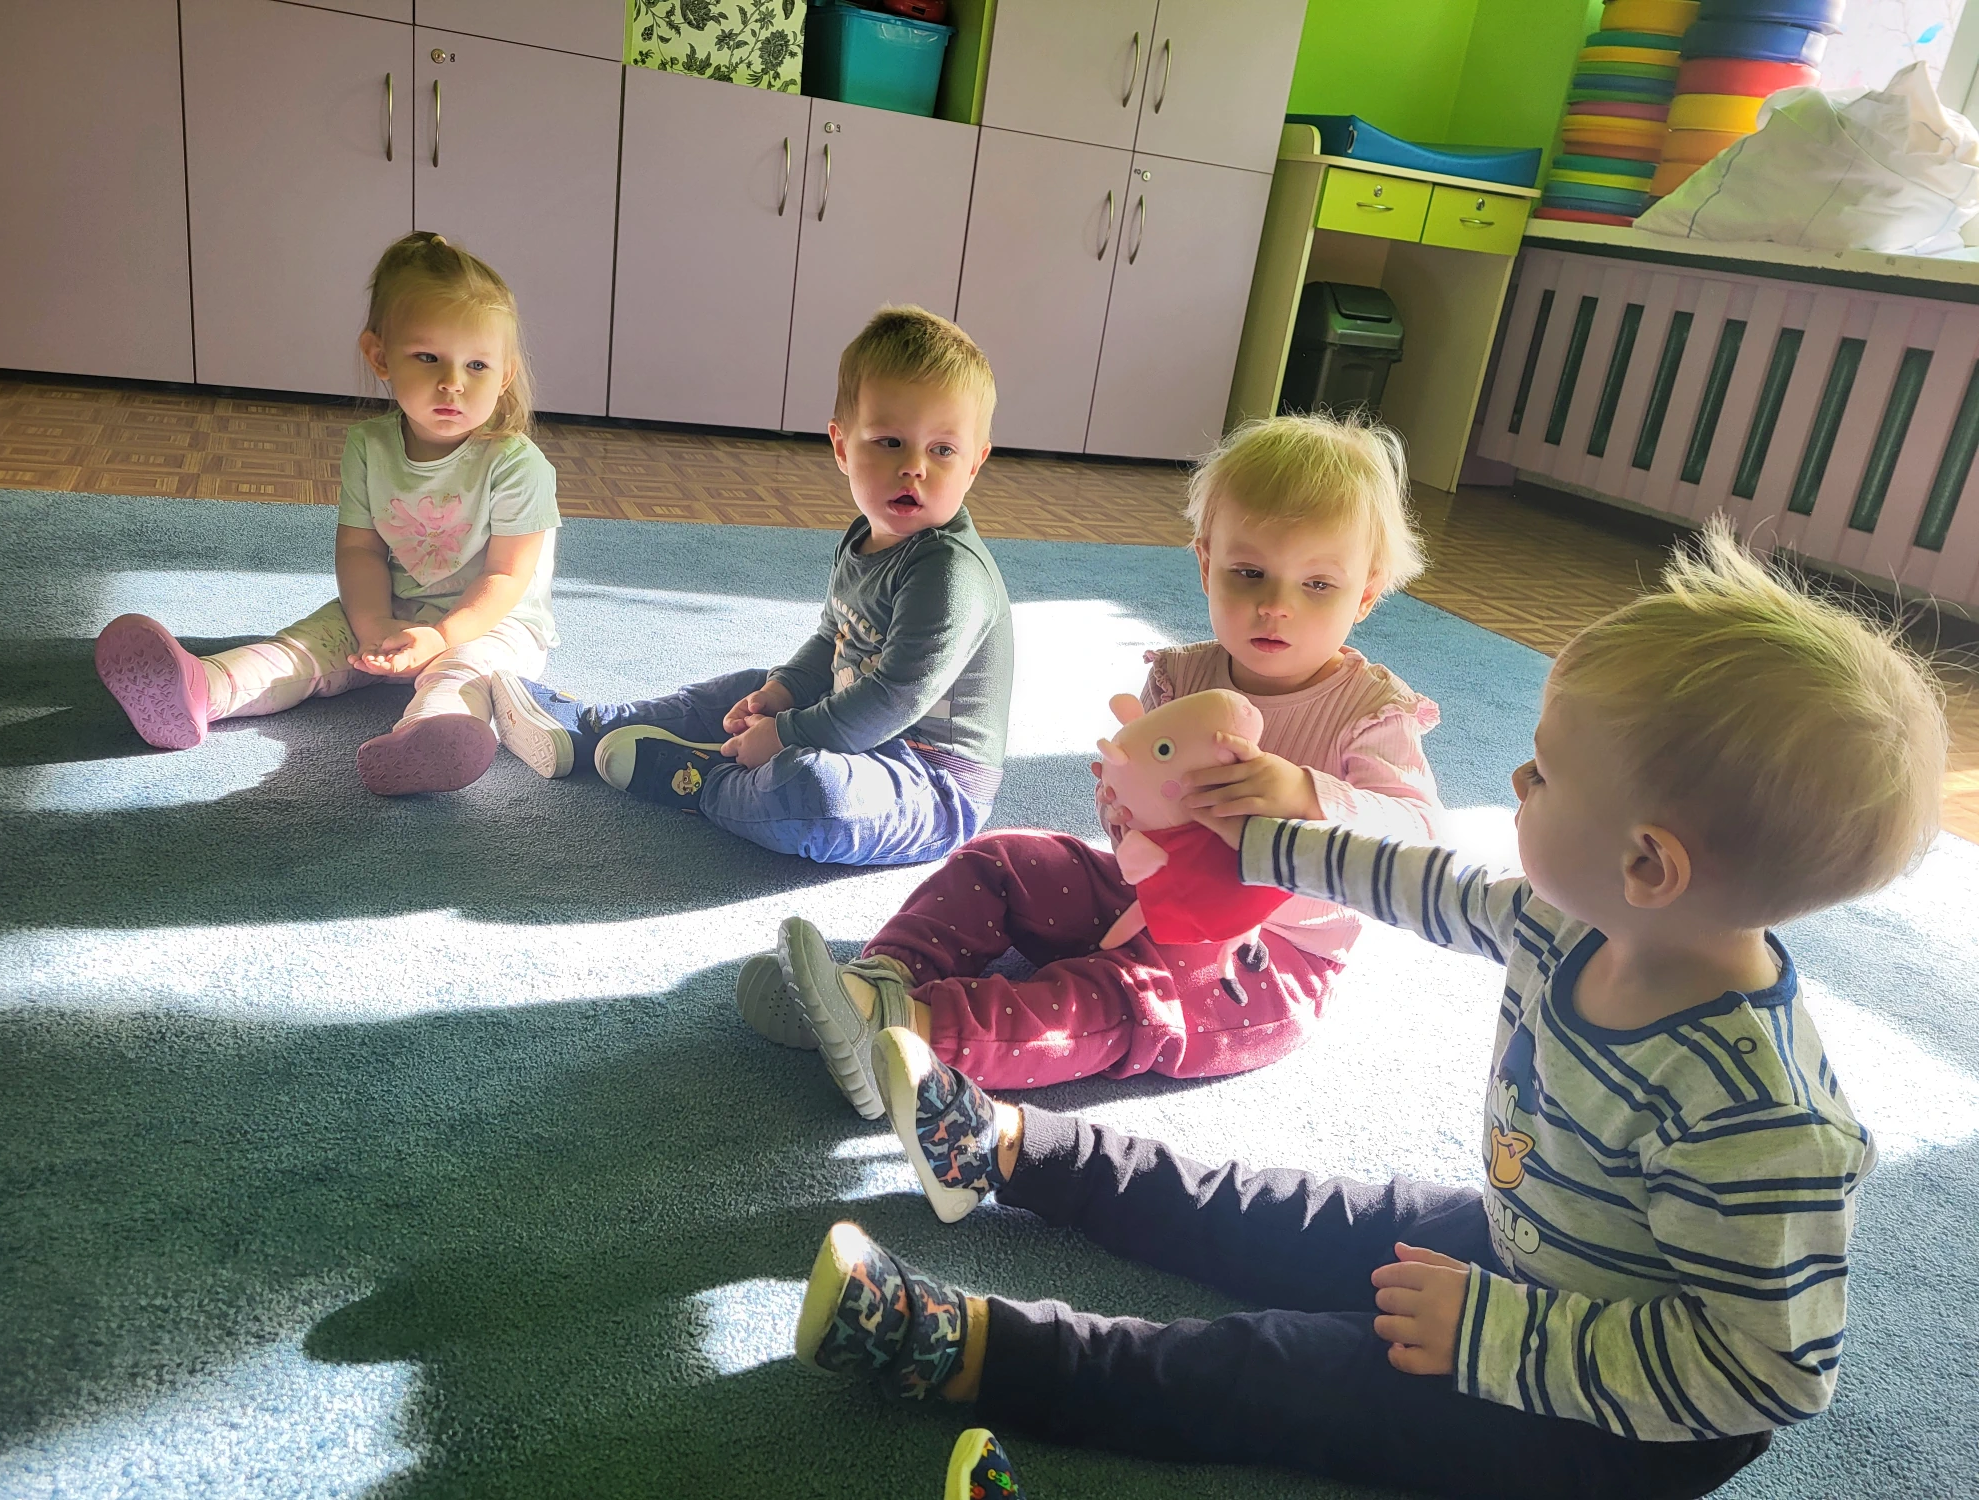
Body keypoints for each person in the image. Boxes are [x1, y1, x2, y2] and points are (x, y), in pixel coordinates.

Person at [789, 520, 1948, 1500]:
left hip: (1607, 1423)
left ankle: (965, 1352)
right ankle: (1008, 1149)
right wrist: (1257, 840)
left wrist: (1494, 1337)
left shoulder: (1760, 1122)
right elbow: (1420, 883)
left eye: (1543, 775)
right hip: (1528, 1247)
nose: (1514, 783)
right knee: (1282, 1211)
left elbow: (1764, 1373)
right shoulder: (1577, 918)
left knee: (1285, 1374)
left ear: (1647, 863)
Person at [757, 414, 1442, 1118]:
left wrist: (1305, 792)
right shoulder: (1183, 676)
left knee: (1128, 996)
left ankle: (915, 1034)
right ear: (1207, 564)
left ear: (1366, 594)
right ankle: (877, 979)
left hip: (1268, 955)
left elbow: (1421, 838)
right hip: (1144, 892)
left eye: (1318, 585)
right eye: (1249, 574)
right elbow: (1138, 801)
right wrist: (1121, 809)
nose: (1275, 605)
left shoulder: (1371, 710)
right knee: (1003, 857)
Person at [491, 306, 1011, 867]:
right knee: (748, 688)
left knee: (817, 796)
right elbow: (832, 639)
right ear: (842, 447)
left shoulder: (948, 572)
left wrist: (786, 735)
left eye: (942, 450)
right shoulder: (865, 536)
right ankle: (595, 726)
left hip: (927, 779)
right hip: (846, 719)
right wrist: (781, 694)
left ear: (974, 463)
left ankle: (700, 778)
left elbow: (893, 698)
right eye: (890, 442)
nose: (915, 467)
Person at [93, 231, 559, 796]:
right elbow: (360, 550)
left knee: (468, 670)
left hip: (492, 622)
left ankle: (432, 734)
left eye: (477, 365)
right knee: (304, 647)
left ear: (504, 375)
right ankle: (200, 688)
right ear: (380, 356)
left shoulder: (516, 464)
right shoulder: (369, 445)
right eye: (428, 357)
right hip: (393, 603)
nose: (452, 383)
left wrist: (440, 636)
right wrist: (373, 624)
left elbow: (506, 576)